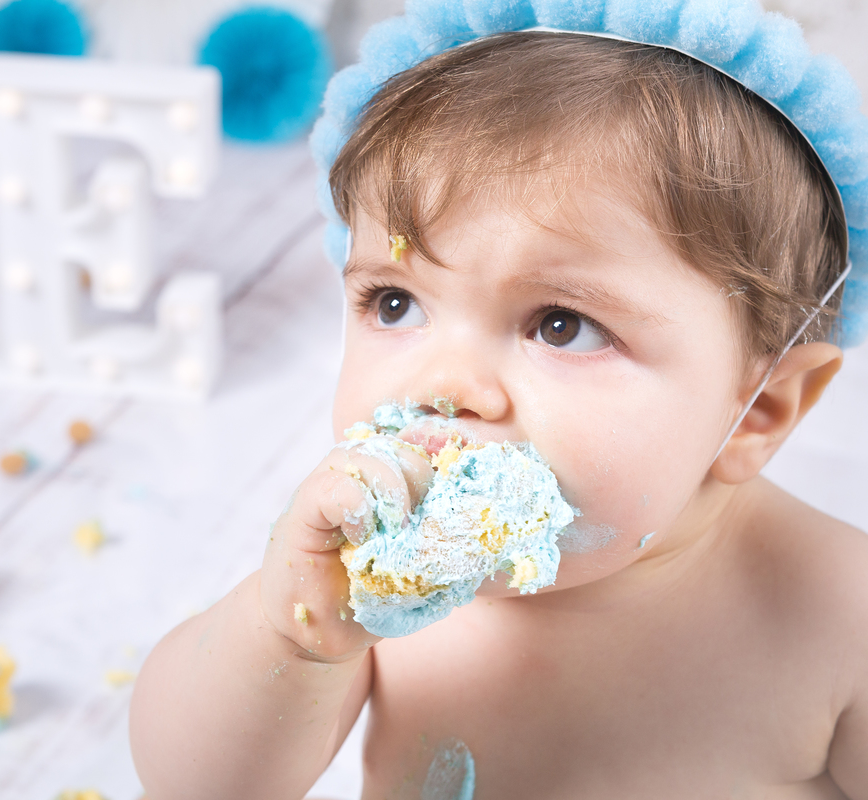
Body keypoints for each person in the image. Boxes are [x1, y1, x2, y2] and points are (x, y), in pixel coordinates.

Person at [130, 3, 868, 797]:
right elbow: (196, 785)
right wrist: (290, 639)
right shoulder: (370, 589)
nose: (443, 386)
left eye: (562, 324)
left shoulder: (837, 617)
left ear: (758, 407)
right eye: (394, 303)